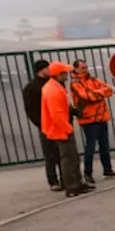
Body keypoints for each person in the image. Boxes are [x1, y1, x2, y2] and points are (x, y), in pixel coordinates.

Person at [41, 62, 90, 197]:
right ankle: (72, 186)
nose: (67, 75)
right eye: (65, 73)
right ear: (59, 74)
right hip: (60, 130)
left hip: (61, 128)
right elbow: (56, 113)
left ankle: (78, 183)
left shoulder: (54, 87)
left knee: (73, 157)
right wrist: (67, 128)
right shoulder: (53, 90)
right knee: (68, 158)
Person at [70, 59, 115, 184]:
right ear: (76, 69)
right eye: (82, 68)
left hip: (101, 117)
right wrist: (100, 94)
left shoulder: (93, 80)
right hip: (88, 119)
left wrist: (96, 93)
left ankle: (107, 169)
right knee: (90, 147)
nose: (85, 70)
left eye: (86, 67)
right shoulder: (75, 84)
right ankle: (87, 172)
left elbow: (109, 90)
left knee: (104, 145)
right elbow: (88, 97)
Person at [22, 58, 63, 191]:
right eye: (47, 68)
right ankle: (53, 181)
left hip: (58, 123)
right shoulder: (31, 88)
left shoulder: (55, 83)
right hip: (45, 125)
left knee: (62, 153)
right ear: (41, 70)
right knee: (50, 154)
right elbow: (30, 109)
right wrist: (40, 124)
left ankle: (65, 178)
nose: (50, 70)